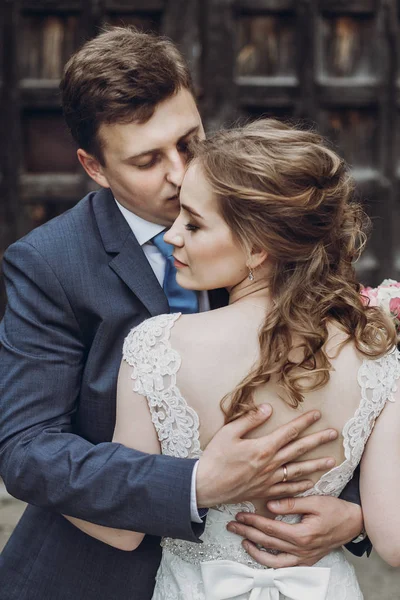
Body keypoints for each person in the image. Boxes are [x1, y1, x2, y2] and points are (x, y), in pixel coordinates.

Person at [0, 27, 363, 600]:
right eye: (147, 160)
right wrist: (194, 484)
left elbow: (344, 381)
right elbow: (27, 450)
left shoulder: (266, 221)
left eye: (190, 142)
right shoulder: (48, 263)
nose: (178, 173)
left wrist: (356, 513)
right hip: (95, 575)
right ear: (94, 167)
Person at [63, 119, 400, 599]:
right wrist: (356, 519)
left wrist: (46, 475)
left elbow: (122, 528)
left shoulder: (159, 347)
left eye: (194, 223)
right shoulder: (375, 356)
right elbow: (393, 539)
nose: (171, 236)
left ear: (259, 247)